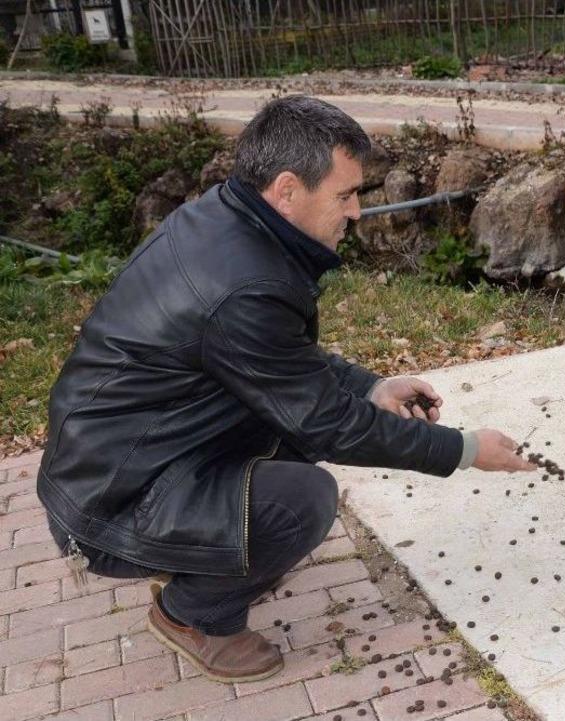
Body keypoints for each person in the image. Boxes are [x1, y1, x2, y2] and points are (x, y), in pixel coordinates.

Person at [36, 95, 535, 684]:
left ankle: (199, 556)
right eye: (345, 196)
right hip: (106, 502)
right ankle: (191, 614)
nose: (356, 213)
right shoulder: (245, 282)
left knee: (292, 443)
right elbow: (325, 423)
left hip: (124, 458)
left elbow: (282, 361)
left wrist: (371, 386)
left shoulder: (225, 218)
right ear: (288, 189)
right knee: (301, 501)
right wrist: (466, 450)